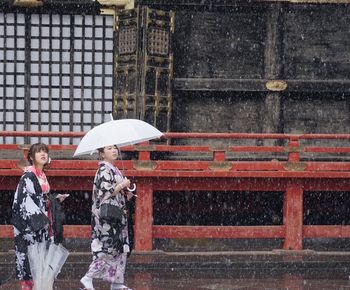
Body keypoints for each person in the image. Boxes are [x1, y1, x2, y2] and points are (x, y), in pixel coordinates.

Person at [11, 143, 68, 290]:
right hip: (30, 225)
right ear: (31, 157)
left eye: (45, 151)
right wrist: (39, 218)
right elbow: (24, 201)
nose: (43, 154)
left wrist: (53, 200)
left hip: (41, 223)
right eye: (39, 152)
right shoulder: (28, 176)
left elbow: (42, 198)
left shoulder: (41, 175)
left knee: (40, 259)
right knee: (30, 259)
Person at [80, 145, 134, 290]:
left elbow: (115, 191)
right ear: (102, 154)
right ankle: (88, 277)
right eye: (109, 148)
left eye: (115, 148)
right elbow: (105, 193)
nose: (114, 151)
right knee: (107, 248)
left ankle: (116, 282)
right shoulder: (104, 169)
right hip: (107, 218)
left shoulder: (113, 169)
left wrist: (125, 192)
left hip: (116, 215)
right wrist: (122, 184)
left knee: (119, 248)